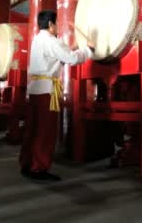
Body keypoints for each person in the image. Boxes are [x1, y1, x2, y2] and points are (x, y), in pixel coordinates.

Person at [20, 10, 95, 181]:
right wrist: (89, 50)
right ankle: (39, 168)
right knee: (45, 131)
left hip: (34, 90)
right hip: (47, 91)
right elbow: (70, 59)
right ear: (51, 25)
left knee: (32, 128)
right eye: (57, 23)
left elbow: (56, 55)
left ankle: (27, 163)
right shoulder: (51, 41)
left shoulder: (38, 39)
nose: (58, 27)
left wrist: (74, 47)